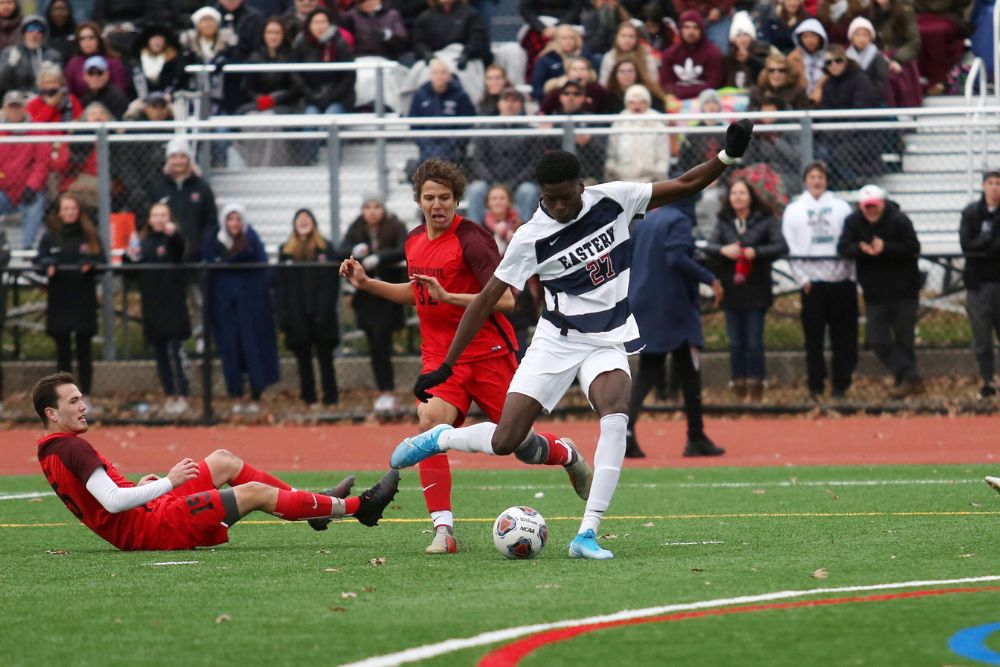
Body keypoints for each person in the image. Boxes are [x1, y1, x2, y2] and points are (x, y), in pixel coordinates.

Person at [390, 120, 755, 560]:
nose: (561, 206)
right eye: (551, 198)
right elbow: (486, 301)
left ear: (583, 184)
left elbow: (684, 183)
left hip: (608, 338)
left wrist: (727, 157)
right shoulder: (530, 237)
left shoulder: (614, 199)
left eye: (568, 195)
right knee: (508, 441)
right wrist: (445, 365)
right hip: (556, 340)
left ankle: (587, 533)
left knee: (615, 412)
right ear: (541, 194)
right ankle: (440, 439)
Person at [341, 158, 590, 555]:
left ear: (457, 200)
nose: (436, 205)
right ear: (418, 201)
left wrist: (449, 296)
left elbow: (507, 300)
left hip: (490, 354)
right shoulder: (413, 240)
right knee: (429, 426)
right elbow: (418, 292)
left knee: (519, 445)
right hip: (442, 360)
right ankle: (443, 530)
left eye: (444, 197)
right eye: (428, 198)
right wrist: (368, 284)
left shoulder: (473, 240)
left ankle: (566, 454)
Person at [32, 372, 400, 551]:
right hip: (154, 529)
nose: (83, 407)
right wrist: (168, 483)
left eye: (81, 398)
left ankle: (314, 507)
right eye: (73, 402)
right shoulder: (71, 448)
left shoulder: (51, 448)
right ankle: (359, 508)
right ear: (51, 412)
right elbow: (111, 502)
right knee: (254, 492)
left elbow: (105, 499)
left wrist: (142, 489)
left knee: (223, 460)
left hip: (147, 516)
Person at [626, 204, 725, 459]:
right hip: (674, 306)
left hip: (645, 301)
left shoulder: (648, 219)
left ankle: (625, 431)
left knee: (648, 370)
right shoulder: (679, 220)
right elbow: (676, 257)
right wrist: (709, 278)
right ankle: (695, 436)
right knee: (690, 371)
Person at [705, 177, 787, 403]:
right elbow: (709, 247)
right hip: (731, 289)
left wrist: (756, 252)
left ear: (751, 196)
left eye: (742, 193)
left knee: (754, 340)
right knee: (735, 341)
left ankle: (757, 383)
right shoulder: (723, 221)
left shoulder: (766, 219)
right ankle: (738, 383)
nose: (738, 197)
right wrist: (724, 250)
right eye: (734, 194)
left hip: (756, 288)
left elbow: (780, 246)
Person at [837, 184, 923, 399]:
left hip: (904, 290)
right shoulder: (853, 222)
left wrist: (886, 248)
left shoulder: (899, 220)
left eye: (874, 206)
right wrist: (860, 249)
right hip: (875, 292)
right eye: (867, 207)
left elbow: (913, 247)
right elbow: (843, 247)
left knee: (905, 339)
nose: (871, 211)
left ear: (882, 204)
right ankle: (912, 376)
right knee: (877, 340)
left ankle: (905, 383)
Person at [782, 161, 857, 400]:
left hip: (841, 281)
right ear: (806, 180)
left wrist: (852, 275)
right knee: (814, 340)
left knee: (842, 338)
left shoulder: (841, 207)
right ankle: (815, 386)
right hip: (812, 284)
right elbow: (791, 246)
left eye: (821, 177)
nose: (817, 181)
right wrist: (801, 278)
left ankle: (840, 386)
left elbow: (850, 240)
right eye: (812, 177)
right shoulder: (794, 210)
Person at [203, 203, 281, 413]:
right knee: (230, 351)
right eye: (230, 219)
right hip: (225, 307)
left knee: (253, 348)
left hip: (251, 307)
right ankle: (236, 395)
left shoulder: (252, 241)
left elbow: (261, 271)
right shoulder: (214, 241)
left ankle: (256, 394)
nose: (234, 224)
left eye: (237, 219)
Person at [338, 194, 408, 415]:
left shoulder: (395, 225)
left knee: (381, 339)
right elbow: (340, 249)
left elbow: (404, 248)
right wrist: (355, 251)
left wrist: (380, 257)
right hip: (365, 298)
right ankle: (383, 391)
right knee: (374, 342)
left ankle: (388, 391)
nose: (372, 211)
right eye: (368, 207)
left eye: (377, 206)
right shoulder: (356, 227)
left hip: (388, 292)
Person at [34, 193, 104, 399]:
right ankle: (65, 398)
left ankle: (86, 396)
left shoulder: (90, 234)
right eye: (65, 209)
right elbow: (38, 262)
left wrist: (90, 264)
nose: (69, 213)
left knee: (84, 350)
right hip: (60, 299)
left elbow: (102, 262)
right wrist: (46, 264)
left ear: (79, 211)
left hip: (83, 298)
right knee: (62, 352)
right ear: (59, 212)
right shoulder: (51, 235)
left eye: (73, 209)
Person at [125, 202, 191, 415]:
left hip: (174, 308)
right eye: (156, 215)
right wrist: (129, 257)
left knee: (176, 353)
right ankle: (170, 395)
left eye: (164, 215)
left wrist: (175, 235)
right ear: (150, 219)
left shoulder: (174, 241)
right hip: (153, 309)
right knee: (161, 356)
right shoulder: (144, 244)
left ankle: (183, 396)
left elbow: (180, 249)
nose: (160, 218)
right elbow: (130, 273)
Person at [275, 209, 341, 408]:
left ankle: (331, 398)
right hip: (297, 315)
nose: (304, 222)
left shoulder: (325, 249)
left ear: (314, 224)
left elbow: (332, 283)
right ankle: (309, 397)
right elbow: (280, 287)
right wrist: (285, 315)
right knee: (303, 360)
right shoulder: (285, 251)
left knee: (325, 359)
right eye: (299, 219)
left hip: (322, 314)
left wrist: (325, 310)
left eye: (307, 219)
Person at [466, 86, 541, 224]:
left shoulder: (530, 131)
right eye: (506, 100)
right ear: (499, 103)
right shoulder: (486, 129)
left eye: (514, 100)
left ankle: (524, 235)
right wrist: (493, 183)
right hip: (490, 182)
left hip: (519, 183)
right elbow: (478, 161)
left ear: (520, 104)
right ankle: (475, 234)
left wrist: (513, 183)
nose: (510, 104)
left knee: (528, 190)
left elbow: (534, 164)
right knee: (476, 189)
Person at [959, 171, 1000, 398]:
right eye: (991, 183)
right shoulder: (971, 213)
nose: (994, 188)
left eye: (998, 184)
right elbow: (967, 245)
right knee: (982, 338)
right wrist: (985, 241)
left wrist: (982, 245)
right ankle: (988, 380)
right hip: (977, 283)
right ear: (983, 186)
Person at [0, 90, 48, 250]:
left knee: (35, 204)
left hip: (28, 189)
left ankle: (26, 249)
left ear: (24, 109)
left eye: (18, 107)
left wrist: (31, 186)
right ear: (4, 109)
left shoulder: (37, 130)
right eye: (11, 107)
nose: (14, 111)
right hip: (4, 190)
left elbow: (42, 163)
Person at [407, 59, 475, 168]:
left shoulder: (461, 96)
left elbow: (467, 123)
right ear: (430, 75)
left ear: (449, 75)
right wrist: (426, 145)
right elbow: (414, 124)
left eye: (443, 72)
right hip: (427, 150)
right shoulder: (420, 95)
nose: (439, 76)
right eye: (436, 72)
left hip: (454, 151)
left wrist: (452, 144)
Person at [604, 84, 670, 183]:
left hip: (650, 180)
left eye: (641, 102)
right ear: (627, 103)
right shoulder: (619, 123)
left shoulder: (657, 123)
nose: (637, 106)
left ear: (647, 102)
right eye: (632, 102)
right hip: (623, 180)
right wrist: (613, 173)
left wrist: (658, 175)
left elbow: (663, 157)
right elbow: (611, 155)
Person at [659, 9, 724, 100]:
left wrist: (682, 91)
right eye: (686, 27)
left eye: (695, 27)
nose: (691, 32)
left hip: (706, 102)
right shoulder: (669, 54)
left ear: (701, 30)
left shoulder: (713, 53)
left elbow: (713, 83)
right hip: (676, 102)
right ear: (681, 29)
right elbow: (665, 85)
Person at [64, 21, 129, 100]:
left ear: (98, 39)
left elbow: (120, 89)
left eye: (91, 37)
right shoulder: (73, 64)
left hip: (111, 105)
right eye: (82, 39)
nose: (87, 42)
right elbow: (69, 94)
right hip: (83, 107)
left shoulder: (113, 61)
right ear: (78, 42)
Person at [0, 15, 61, 98]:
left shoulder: (52, 55)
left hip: (43, 98)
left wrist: (51, 72)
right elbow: (1, 82)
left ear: (44, 34)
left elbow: (59, 83)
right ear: (23, 33)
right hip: (16, 99)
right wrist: (10, 65)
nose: (34, 34)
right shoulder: (10, 52)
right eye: (30, 30)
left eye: (39, 31)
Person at [597, 21, 660, 87]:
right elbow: (604, 83)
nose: (627, 40)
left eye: (631, 36)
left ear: (637, 39)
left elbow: (653, 82)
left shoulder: (647, 57)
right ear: (616, 37)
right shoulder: (609, 57)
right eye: (623, 36)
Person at [787, 17, 828, 105]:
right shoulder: (793, 58)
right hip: (799, 102)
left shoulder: (829, 57)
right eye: (805, 36)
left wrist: (819, 88)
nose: (810, 40)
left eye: (813, 36)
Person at [79, 55, 130, 119]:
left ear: (107, 74)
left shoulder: (118, 98)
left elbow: (122, 126)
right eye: (90, 73)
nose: (95, 77)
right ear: (84, 76)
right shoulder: (85, 99)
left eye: (99, 72)